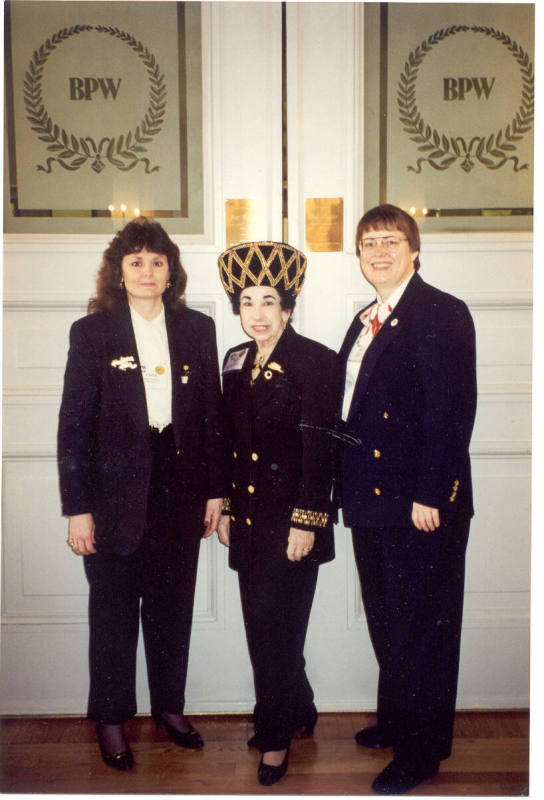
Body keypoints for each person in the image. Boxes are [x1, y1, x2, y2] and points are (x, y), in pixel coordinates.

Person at [57, 217, 226, 771]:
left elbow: (210, 421)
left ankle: (169, 709)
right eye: (137, 262)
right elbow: (74, 426)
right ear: (119, 271)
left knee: (172, 607)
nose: (148, 272)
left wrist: (215, 492)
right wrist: (78, 509)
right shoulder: (93, 332)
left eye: (158, 262)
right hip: (113, 497)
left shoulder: (198, 329)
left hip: (180, 486)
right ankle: (111, 718)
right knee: (112, 612)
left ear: (171, 271)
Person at [338, 204, 477, 795]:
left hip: (420, 504)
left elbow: (452, 413)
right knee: (391, 622)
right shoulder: (365, 318)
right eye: (369, 242)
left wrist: (430, 495)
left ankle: (421, 753)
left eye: (391, 240)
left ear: (414, 250)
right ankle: (399, 721)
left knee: (422, 629)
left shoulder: (442, 312)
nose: (379, 251)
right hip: (372, 502)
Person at [216, 241, 339, 786]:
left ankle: (273, 737)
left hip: (292, 521)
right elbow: (226, 441)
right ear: (237, 308)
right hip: (247, 518)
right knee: (268, 627)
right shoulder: (234, 360)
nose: (258, 314)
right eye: (247, 302)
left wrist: (307, 520)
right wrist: (223, 506)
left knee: (274, 632)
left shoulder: (316, 360)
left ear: (288, 308)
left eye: (269, 302)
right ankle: (300, 707)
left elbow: (322, 448)